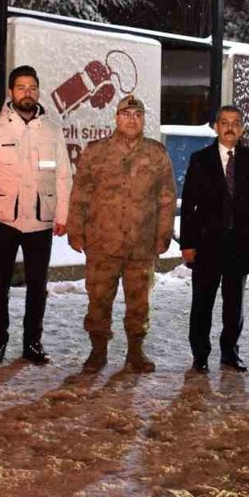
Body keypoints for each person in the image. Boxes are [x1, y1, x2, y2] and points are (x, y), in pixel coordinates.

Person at [0, 65, 72, 364]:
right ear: (11, 92)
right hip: (3, 219)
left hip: (41, 220)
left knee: (37, 287)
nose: (27, 93)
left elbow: (64, 177)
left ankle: (32, 343)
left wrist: (62, 214)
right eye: (21, 87)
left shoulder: (52, 131)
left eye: (32, 87)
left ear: (38, 92)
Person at [67, 94, 174, 374]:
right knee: (99, 299)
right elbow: (80, 193)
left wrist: (164, 234)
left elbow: (166, 197)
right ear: (116, 118)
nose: (132, 120)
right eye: (126, 115)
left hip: (141, 243)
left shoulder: (156, 153)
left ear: (143, 120)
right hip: (103, 241)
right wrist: (75, 229)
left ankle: (135, 352)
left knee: (139, 303)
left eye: (137, 115)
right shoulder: (96, 152)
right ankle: (97, 351)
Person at [179, 105, 249, 373]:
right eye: (224, 122)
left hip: (239, 245)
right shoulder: (200, 159)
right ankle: (200, 355)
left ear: (242, 128)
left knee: (234, 305)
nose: (230, 127)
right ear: (216, 126)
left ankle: (230, 353)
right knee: (202, 304)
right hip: (207, 244)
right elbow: (190, 204)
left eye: (235, 123)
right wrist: (187, 243)